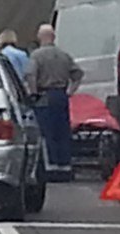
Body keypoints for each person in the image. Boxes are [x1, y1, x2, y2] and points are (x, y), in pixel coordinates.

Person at [25, 23, 83, 179]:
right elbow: (78, 74)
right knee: (62, 131)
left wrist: (33, 93)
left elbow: (30, 75)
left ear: (40, 36)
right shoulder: (64, 55)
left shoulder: (36, 56)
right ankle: (65, 166)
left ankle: (50, 166)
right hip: (61, 96)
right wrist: (70, 91)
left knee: (46, 131)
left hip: (44, 97)